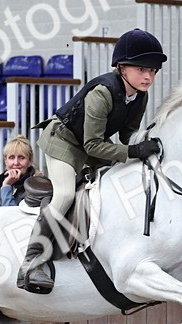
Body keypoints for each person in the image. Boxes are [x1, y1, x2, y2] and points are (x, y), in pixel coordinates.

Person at [16, 28, 166, 294]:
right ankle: (31, 262)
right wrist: (133, 152)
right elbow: (92, 145)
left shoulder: (139, 95)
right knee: (63, 196)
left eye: (153, 71)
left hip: (90, 144)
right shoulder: (102, 92)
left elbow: (128, 134)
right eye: (142, 69)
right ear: (121, 67)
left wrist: (149, 142)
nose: (148, 76)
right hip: (62, 142)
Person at [0, 135, 37, 207]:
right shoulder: (1, 183)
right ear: (6, 161)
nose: (16, 163)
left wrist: (6, 187)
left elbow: (12, 215)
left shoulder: (36, 187)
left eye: (21, 158)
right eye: (11, 158)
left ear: (30, 161)